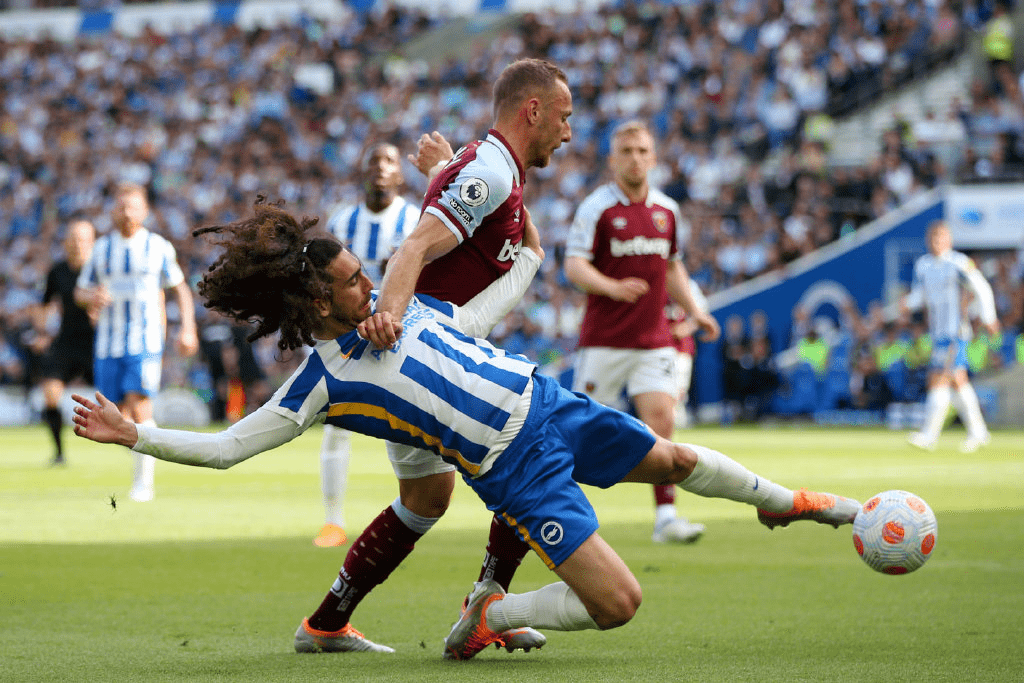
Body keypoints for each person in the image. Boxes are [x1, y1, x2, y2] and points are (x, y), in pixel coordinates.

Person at [71, 201, 861, 660]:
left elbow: (484, 311)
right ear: (317, 302)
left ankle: (785, 501)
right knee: (619, 602)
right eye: (352, 279)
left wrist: (529, 252)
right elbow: (227, 447)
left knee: (677, 458)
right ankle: (494, 613)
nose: (371, 280)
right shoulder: (322, 381)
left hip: (550, 401)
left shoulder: (402, 305)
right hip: (516, 469)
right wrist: (135, 435)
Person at [328, 58, 573, 654]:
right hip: (430, 352)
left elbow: (487, 234)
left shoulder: (490, 169)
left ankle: (326, 622)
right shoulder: (488, 169)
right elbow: (415, 247)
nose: (568, 132)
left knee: (426, 500)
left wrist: (444, 168)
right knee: (523, 461)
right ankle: (486, 605)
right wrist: (390, 319)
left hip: (440, 344)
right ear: (533, 110)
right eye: (564, 117)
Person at [563, 120, 721, 544]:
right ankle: (563, 517)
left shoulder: (667, 210)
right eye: (626, 151)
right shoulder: (596, 208)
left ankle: (666, 517)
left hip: (654, 340)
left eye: (642, 151)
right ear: (612, 160)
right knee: (582, 432)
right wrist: (612, 287)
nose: (635, 158)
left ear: (653, 158)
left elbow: (672, 268)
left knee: (662, 421)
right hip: (604, 341)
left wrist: (697, 311)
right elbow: (574, 265)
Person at [312, 142, 420, 548]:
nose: (380, 167)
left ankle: (413, 517)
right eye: (373, 160)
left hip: (399, 334)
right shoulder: (343, 221)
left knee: (407, 429)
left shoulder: (415, 219)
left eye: (389, 161)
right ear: (362, 171)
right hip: (348, 336)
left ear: (401, 175)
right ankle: (333, 521)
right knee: (337, 428)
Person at [74, 183, 199, 501]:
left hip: (145, 340)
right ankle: (144, 460)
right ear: (113, 211)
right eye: (121, 206)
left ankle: (144, 484)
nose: (126, 212)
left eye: (133, 206)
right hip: (108, 343)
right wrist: (92, 296)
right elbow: (80, 291)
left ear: (145, 211)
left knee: (141, 406)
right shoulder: (102, 248)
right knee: (117, 415)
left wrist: (188, 329)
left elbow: (180, 288)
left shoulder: (157, 246)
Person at [903, 220, 999, 453]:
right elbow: (920, 296)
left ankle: (929, 435)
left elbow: (982, 288)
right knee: (957, 380)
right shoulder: (923, 265)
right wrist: (906, 303)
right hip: (937, 332)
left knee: (939, 377)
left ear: (949, 240)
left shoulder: (959, 263)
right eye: (932, 238)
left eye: (940, 238)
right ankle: (979, 432)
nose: (936, 243)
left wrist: (989, 317)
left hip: (956, 331)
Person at [37, 219, 97, 465]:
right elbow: (44, 304)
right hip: (67, 341)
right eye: (72, 238)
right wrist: (42, 332)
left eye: (82, 239)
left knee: (120, 400)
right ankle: (59, 454)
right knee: (50, 393)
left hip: (98, 342)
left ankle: (134, 447)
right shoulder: (57, 271)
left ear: (92, 242)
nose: (77, 244)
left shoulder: (101, 269)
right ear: (65, 242)